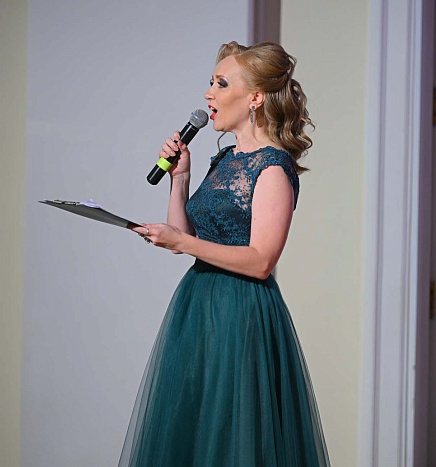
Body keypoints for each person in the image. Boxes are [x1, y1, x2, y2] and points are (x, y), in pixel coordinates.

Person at [121, 41, 330, 466]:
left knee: (235, 435)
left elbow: (261, 261)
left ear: (255, 98)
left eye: (220, 83)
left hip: (241, 313)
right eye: (210, 83)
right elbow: (184, 235)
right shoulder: (225, 160)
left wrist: (182, 242)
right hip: (198, 307)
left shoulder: (272, 167)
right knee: (195, 431)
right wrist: (180, 180)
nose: (208, 94)